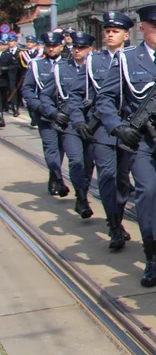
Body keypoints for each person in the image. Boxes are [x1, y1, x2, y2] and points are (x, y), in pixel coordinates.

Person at [98, 6, 156, 288]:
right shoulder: (126, 59)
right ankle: (150, 255)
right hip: (140, 143)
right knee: (147, 193)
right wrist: (118, 127)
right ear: (142, 29)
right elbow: (104, 100)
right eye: (155, 26)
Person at [80, 11, 134, 250]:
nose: (110, 35)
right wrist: (78, 119)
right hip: (103, 129)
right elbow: (76, 93)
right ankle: (114, 225)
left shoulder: (135, 58)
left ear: (126, 34)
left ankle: (118, 217)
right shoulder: (94, 61)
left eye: (115, 31)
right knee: (107, 178)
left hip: (129, 128)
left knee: (123, 180)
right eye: (108, 31)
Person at [42, 30, 96, 220]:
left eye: (82, 47)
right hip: (70, 125)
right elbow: (45, 96)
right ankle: (81, 198)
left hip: (92, 124)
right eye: (75, 47)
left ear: (91, 49)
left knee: (89, 165)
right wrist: (53, 113)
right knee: (76, 161)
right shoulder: (61, 68)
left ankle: (83, 192)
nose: (77, 51)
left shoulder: (98, 67)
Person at [21, 33, 68, 196]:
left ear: (61, 46)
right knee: (51, 148)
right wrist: (39, 107)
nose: (51, 48)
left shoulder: (68, 64)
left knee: (62, 149)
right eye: (48, 45)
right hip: (45, 115)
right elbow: (27, 89)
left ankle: (54, 174)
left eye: (54, 45)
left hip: (65, 115)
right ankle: (57, 178)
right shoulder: (36, 65)